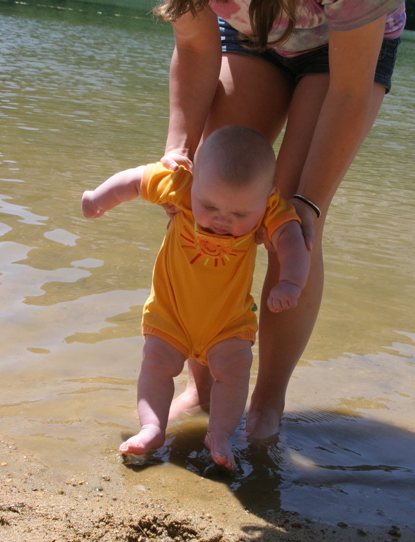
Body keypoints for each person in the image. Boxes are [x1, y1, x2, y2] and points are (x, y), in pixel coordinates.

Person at [155, 0, 406, 439]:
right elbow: (195, 46)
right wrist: (179, 150)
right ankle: (205, 387)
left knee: (292, 221)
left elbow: (349, 92)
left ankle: (268, 401)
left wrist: (311, 200)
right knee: (205, 203)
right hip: (253, 34)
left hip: (344, 49)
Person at [82, 126, 310, 470]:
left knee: (234, 372)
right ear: (194, 179)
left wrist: (290, 282)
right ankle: (152, 427)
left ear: (268, 197)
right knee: (156, 367)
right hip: (170, 315)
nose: (222, 220)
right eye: (209, 206)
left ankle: (219, 434)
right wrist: (99, 199)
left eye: (239, 215)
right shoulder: (181, 185)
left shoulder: (270, 208)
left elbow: (293, 239)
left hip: (228, 324)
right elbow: (134, 181)